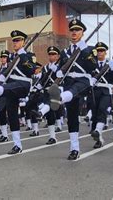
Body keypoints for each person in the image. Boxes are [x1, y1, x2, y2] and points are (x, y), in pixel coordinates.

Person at [0, 30, 37, 154]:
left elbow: (31, 71)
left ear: (24, 42)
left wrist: (22, 56)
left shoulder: (29, 55)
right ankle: (17, 145)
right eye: (14, 40)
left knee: (5, 90)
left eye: (18, 40)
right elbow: (7, 73)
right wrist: (2, 76)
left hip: (23, 85)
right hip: (11, 87)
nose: (15, 43)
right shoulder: (11, 57)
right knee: (12, 115)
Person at [47, 19, 97, 160]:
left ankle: (60, 98)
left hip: (83, 82)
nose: (74, 32)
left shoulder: (89, 49)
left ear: (82, 33)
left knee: (73, 90)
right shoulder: (64, 52)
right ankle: (74, 148)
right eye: (72, 30)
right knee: (72, 117)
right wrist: (57, 70)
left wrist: (84, 52)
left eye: (77, 30)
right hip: (69, 82)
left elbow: (93, 67)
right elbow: (61, 67)